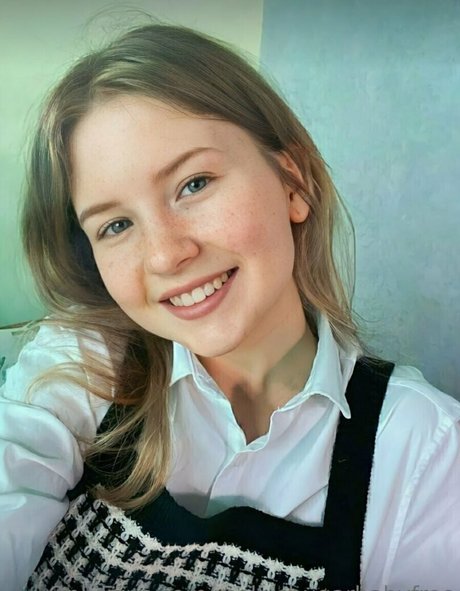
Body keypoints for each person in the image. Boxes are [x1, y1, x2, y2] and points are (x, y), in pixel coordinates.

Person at [0, 22, 459, 591]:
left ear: (293, 182)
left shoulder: (424, 450)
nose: (165, 255)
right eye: (116, 225)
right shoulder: (79, 364)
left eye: (193, 184)